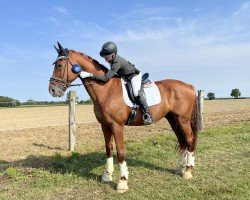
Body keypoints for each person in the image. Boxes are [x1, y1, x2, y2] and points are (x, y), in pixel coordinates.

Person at [72, 41, 154, 125]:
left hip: (133, 75)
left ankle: (148, 114)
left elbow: (106, 78)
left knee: (136, 93)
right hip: (125, 76)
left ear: (113, 55)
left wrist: (89, 74)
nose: (105, 59)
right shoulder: (112, 60)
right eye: (104, 57)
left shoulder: (116, 63)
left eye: (106, 57)